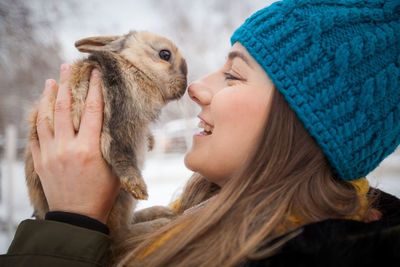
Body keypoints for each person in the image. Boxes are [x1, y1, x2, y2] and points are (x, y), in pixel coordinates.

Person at [2, 0, 400, 266]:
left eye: (233, 74)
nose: (196, 88)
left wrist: (72, 226)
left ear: (301, 124)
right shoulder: (192, 222)